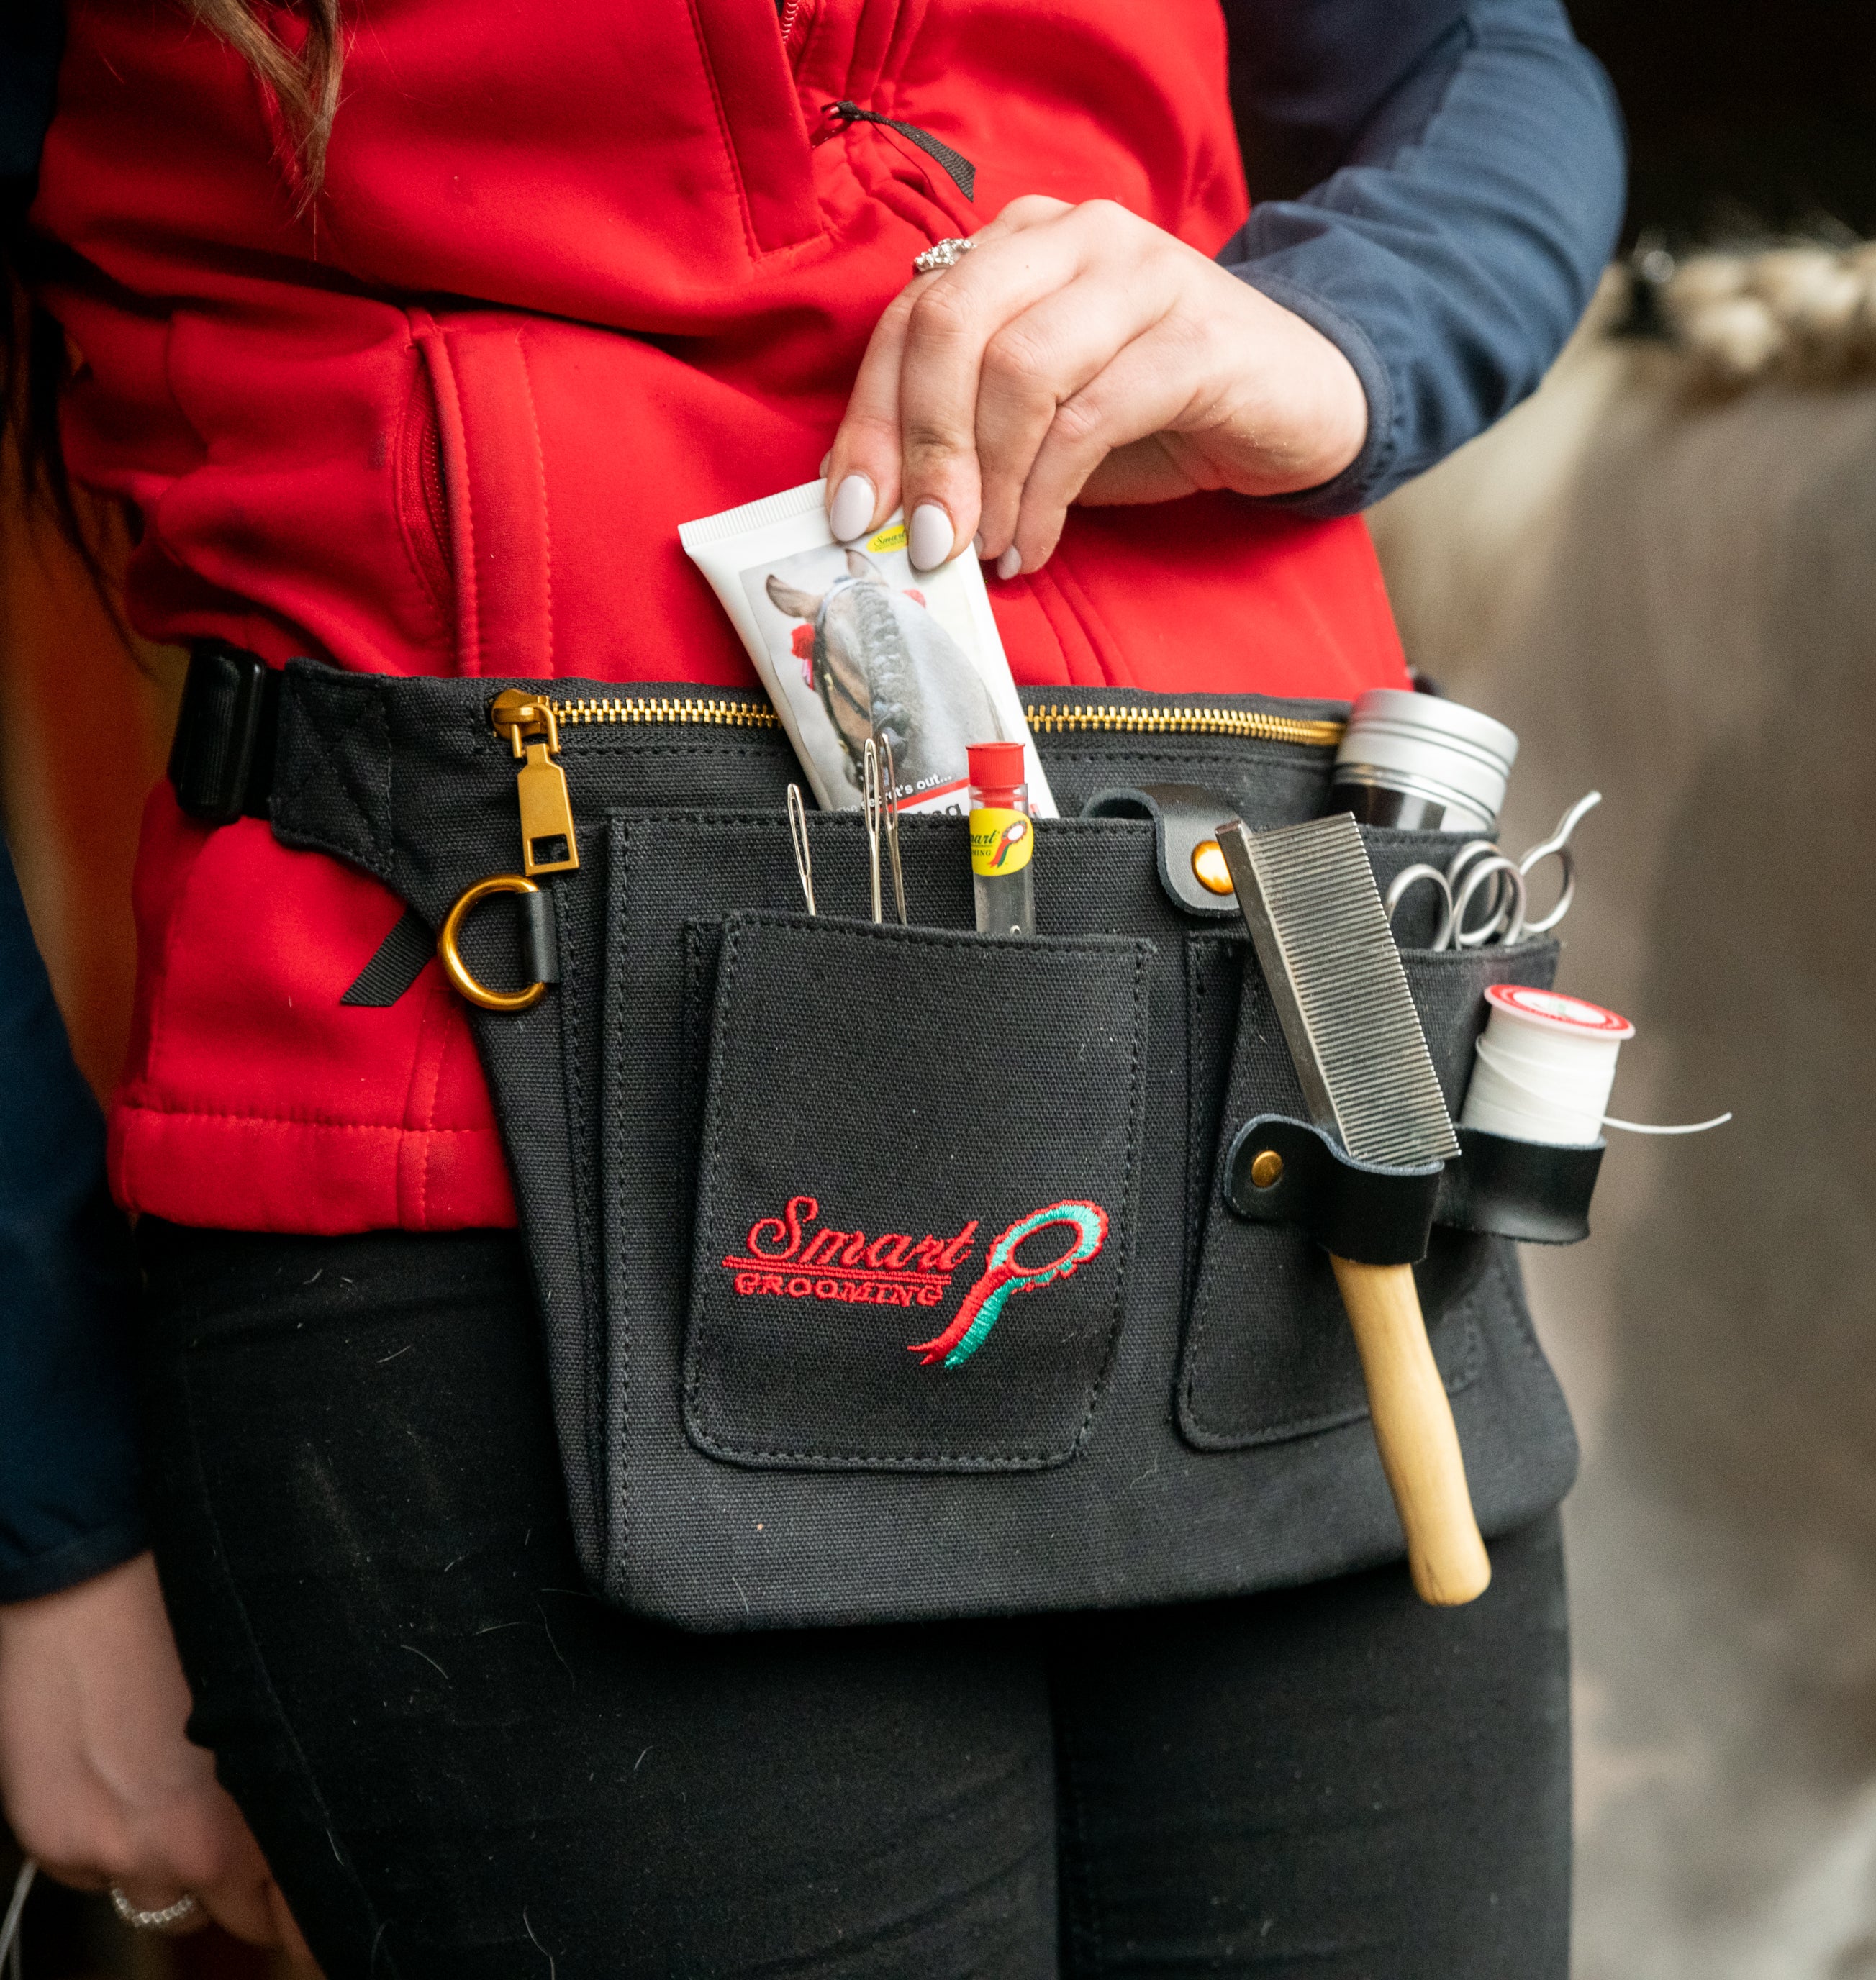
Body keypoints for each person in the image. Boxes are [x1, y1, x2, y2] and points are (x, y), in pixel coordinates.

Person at [0, 1, 1622, 1971]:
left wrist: (1350, 327)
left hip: (1285, 1116)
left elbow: (1480, 62)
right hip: (500, 1203)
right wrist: (44, 1513)